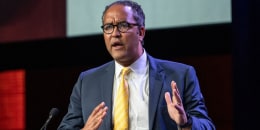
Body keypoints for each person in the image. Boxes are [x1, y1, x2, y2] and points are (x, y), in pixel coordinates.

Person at [58, 0, 216, 130]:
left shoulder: (180, 75)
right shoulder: (87, 82)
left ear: (141, 32)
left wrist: (186, 122)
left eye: (123, 26)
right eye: (108, 27)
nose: (115, 33)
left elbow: (207, 126)